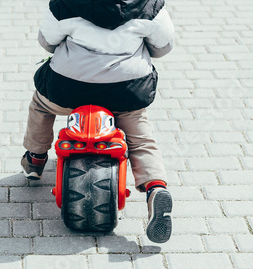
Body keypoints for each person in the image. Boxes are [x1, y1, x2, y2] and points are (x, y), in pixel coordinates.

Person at [21, 0, 174, 243]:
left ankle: (36, 159)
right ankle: (155, 186)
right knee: (140, 135)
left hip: (68, 88)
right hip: (126, 91)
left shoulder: (65, 3)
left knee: (41, 105)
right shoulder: (149, 5)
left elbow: (47, 42)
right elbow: (163, 47)